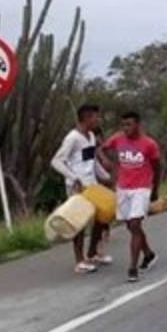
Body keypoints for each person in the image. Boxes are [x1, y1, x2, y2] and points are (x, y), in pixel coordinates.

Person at [100, 112, 161, 283]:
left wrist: (155, 189)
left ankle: (132, 267)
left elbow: (157, 168)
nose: (126, 128)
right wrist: (106, 161)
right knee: (131, 226)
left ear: (138, 125)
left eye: (129, 125)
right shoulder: (118, 139)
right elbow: (101, 148)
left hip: (141, 188)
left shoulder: (149, 144)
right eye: (124, 125)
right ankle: (148, 253)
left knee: (135, 223)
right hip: (123, 188)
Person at [50, 103, 111, 274]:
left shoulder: (91, 136)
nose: (99, 120)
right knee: (79, 223)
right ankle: (79, 261)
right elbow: (56, 161)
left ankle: (93, 252)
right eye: (96, 117)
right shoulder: (73, 138)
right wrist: (73, 177)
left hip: (91, 184)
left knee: (102, 216)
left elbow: (91, 161)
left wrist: (105, 175)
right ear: (86, 118)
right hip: (77, 187)